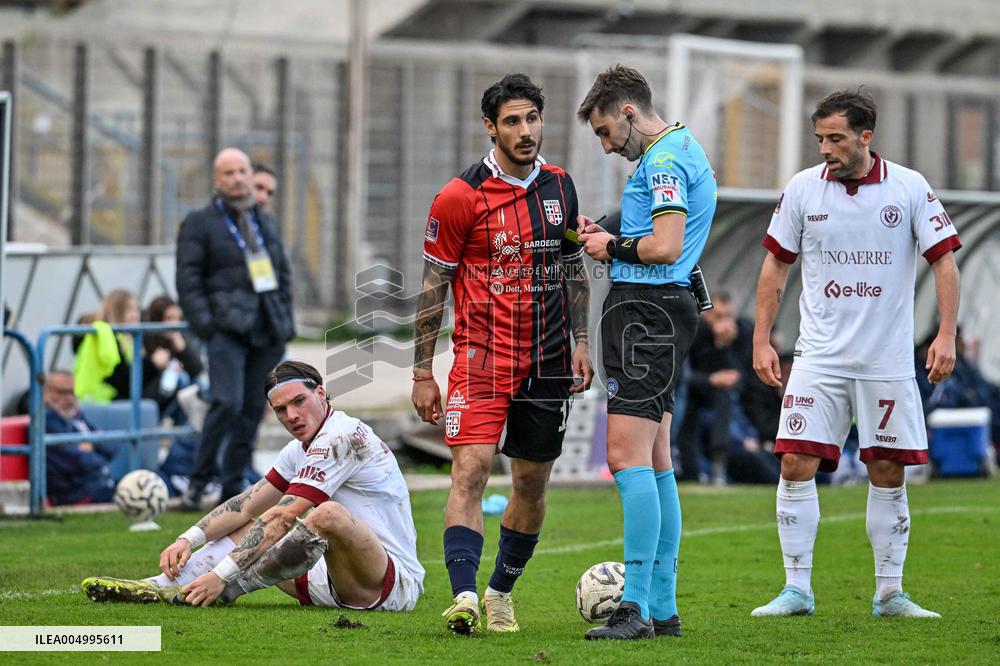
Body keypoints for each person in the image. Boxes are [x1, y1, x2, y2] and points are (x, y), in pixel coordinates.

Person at [750, 88, 961, 619]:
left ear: (867, 136)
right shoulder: (802, 189)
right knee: (795, 461)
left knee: (888, 469)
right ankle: (796, 590)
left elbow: (943, 262)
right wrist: (761, 338)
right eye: (819, 138)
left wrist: (947, 334)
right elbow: (776, 266)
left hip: (884, 361)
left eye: (836, 138)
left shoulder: (909, 187)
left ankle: (889, 593)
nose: (825, 147)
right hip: (818, 358)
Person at [411, 73, 592, 635]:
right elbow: (432, 286)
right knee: (470, 470)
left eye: (532, 118)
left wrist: (582, 341)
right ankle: (463, 597)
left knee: (531, 483)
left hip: (550, 359)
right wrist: (421, 370)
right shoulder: (459, 197)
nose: (525, 130)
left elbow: (572, 271)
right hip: (482, 358)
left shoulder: (561, 187)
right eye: (512, 121)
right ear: (490, 127)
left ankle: (498, 593)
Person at [81, 360, 424, 612]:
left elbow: (282, 518)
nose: (291, 415)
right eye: (281, 410)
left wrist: (224, 575)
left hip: (389, 587)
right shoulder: (298, 448)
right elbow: (246, 505)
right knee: (250, 523)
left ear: (321, 393)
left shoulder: (339, 437)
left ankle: (225, 589)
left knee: (327, 515)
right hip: (330, 582)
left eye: (299, 402)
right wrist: (187, 538)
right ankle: (163, 586)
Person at [575, 65, 717, 640]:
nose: (607, 146)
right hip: (658, 312)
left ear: (629, 113)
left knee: (625, 457)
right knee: (656, 459)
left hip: (646, 314)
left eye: (607, 132)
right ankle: (662, 607)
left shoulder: (661, 160)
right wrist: (607, 230)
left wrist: (612, 244)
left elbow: (665, 245)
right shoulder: (679, 148)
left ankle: (631, 608)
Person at [176, 147, 295, 509]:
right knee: (225, 403)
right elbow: (188, 280)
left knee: (249, 411)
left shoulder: (264, 221)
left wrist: (284, 321)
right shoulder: (200, 222)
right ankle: (199, 482)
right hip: (226, 329)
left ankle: (231, 486)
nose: (238, 178)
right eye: (229, 173)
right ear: (217, 180)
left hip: (266, 329)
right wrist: (207, 327)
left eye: (242, 170)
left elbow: (281, 273)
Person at [43, 370, 116, 506]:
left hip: (98, 484)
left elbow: (111, 446)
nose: (69, 398)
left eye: (71, 392)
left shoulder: (76, 416)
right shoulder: (46, 420)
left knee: (152, 478)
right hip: (74, 493)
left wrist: (92, 446)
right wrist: (96, 444)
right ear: (46, 393)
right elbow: (79, 460)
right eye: (61, 392)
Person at [142, 295, 204, 422]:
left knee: (197, 383)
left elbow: (197, 369)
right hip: (152, 396)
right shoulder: (144, 338)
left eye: (177, 318)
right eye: (169, 318)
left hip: (176, 396)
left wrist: (182, 348)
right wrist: (153, 363)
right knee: (180, 379)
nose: (175, 323)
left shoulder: (179, 338)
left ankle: (191, 431)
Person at [73, 289, 141, 403]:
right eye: (130, 309)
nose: (136, 314)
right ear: (116, 310)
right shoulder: (108, 337)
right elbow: (120, 379)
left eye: (136, 309)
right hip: (100, 398)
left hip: (103, 396)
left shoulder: (127, 338)